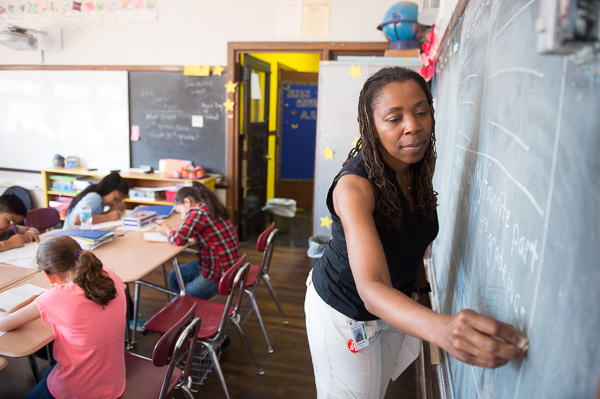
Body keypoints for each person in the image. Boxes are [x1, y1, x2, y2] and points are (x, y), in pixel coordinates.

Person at [304, 67, 529, 399]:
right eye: (394, 119)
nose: (413, 125)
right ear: (372, 127)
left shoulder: (418, 164)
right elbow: (370, 287)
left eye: (421, 111)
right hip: (345, 311)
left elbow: (409, 235)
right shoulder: (354, 187)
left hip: (396, 305)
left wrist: (420, 287)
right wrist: (444, 329)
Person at [0, 236, 126, 399]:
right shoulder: (110, 275)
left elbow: (4, 324)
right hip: (113, 381)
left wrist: (35, 299)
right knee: (48, 373)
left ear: (49, 276)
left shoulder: (56, 297)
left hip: (80, 391)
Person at [156, 181, 240, 300]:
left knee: (183, 300)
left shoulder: (198, 212)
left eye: (180, 211)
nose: (181, 217)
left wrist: (167, 231)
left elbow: (178, 239)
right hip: (227, 265)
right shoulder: (209, 206)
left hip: (219, 273)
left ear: (187, 202)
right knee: (174, 275)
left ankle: (181, 309)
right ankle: (182, 310)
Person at [63, 172, 129, 228]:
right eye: (115, 198)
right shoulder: (95, 197)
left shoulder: (101, 202)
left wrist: (112, 210)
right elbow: (77, 220)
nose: (115, 203)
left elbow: (96, 217)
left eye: (118, 201)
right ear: (107, 189)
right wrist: (108, 217)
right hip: (71, 238)